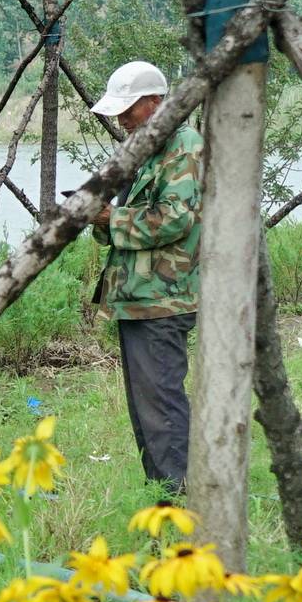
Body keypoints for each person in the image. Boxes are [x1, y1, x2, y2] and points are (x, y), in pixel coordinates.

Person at [90, 58, 199, 492]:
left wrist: (110, 218)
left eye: (128, 108)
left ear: (155, 102)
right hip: (138, 296)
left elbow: (174, 220)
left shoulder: (184, 146)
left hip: (164, 297)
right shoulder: (145, 149)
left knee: (162, 404)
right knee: (145, 405)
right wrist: (100, 218)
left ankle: (178, 495)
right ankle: (162, 493)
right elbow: (124, 220)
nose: (120, 118)